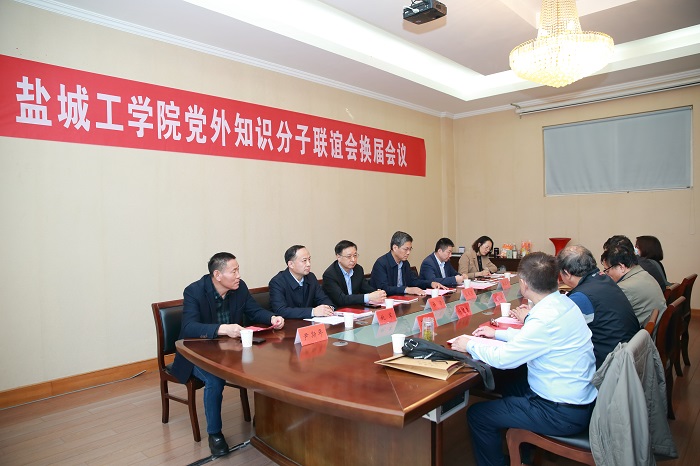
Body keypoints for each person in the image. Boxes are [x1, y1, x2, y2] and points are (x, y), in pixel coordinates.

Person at [451, 252, 597, 466]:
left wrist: (469, 345)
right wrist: (498, 333)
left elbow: (503, 359)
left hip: (560, 413)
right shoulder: (563, 304)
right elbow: (537, 339)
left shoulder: (544, 317)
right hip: (577, 401)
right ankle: (523, 455)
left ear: (524, 283)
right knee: (511, 384)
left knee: (478, 415)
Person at [170, 252, 285, 457]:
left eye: (238, 270)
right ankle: (215, 434)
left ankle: (264, 418)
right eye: (234, 271)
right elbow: (189, 328)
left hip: (230, 349)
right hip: (197, 352)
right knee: (215, 379)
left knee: (266, 364)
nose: (238, 275)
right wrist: (223, 329)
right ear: (217, 275)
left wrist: (272, 318)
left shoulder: (239, 288)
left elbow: (254, 311)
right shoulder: (194, 291)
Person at [558, 245, 640, 368]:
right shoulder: (603, 279)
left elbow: (558, 331)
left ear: (567, 273)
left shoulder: (582, 297)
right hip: (625, 353)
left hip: (609, 364)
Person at [601, 238, 666, 327]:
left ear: (621, 267)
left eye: (607, 270)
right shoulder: (643, 274)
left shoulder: (624, 288)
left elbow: (608, 319)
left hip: (642, 333)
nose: (606, 274)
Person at [370, 231, 445, 296]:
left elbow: (413, 281)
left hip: (402, 300)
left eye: (410, 249)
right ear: (395, 248)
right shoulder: (381, 264)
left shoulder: (405, 263)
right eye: (406, 249)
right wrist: (406, 289)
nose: (408, 252)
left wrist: (430, 283)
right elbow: (384, 288)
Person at [269, 245, 335, 319]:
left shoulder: (311, 277)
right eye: (304, 260)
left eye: (309, 259)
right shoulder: (277, 282)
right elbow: (280, 310)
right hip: (289, 324)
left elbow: (323, 299)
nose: (308, 264)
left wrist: (328, 308)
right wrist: (313, 311)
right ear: (291, 264)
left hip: (309, 323)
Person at [322, 240, 387, 307]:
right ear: (338, 257)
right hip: (338, 309)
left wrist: (377, 293)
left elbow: (365, 288)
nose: (353, 259)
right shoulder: (330, 275)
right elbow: (341, 300)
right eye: (349, 256)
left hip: (355, 308)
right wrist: (369, 297)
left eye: (355, 255)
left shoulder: (358, 269)